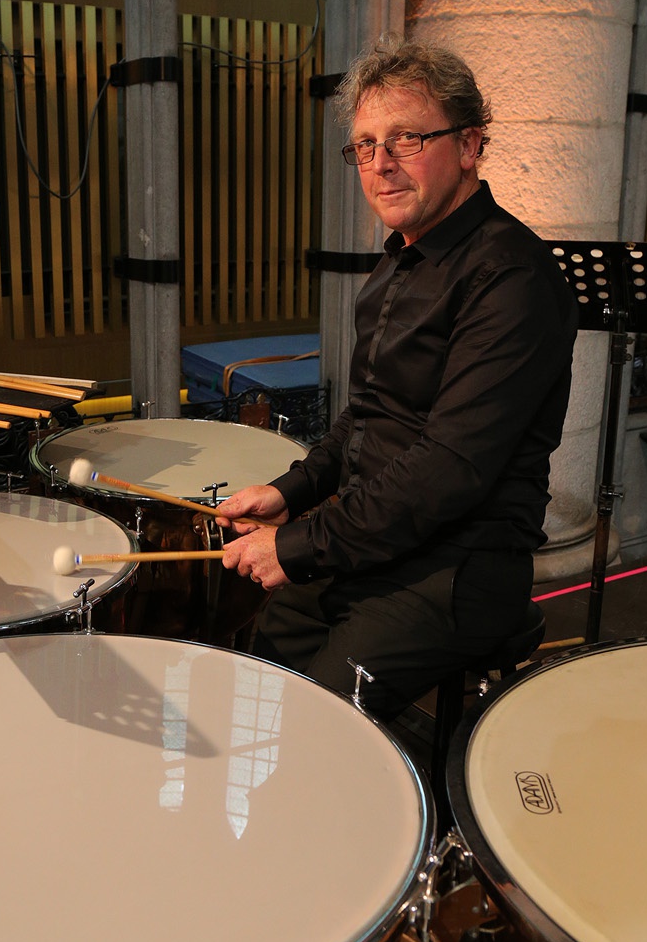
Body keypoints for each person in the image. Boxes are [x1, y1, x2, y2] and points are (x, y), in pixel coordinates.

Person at [215, 38, 578, 721]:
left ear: (469, 146)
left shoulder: (512, 277)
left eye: (406, 138)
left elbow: (448, 469)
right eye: (364, 145)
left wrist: (299, 545)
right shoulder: (397, 263)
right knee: (256, 683)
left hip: (454, 572)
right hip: (376, 546)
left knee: (312, 726)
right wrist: (290, 492)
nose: (380, 164)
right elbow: (366, 418)